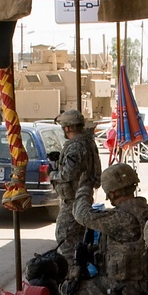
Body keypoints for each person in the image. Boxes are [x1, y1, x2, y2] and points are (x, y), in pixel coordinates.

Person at [53, 161, 148, 295]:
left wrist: (84, 188)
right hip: (146, 284)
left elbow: (82, 215)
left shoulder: (121, 217)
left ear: (112, 193)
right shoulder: (144, 210)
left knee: (69, 290)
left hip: (124, 289)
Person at [52, 107, 102, 274]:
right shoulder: (88, 142)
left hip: (74, 200)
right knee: (77, 240)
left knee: (65, 239)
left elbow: (68, 174)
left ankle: (72, 275)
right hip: (82, 197)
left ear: (68, 127)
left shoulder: (76, 146)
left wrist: (52, 173)